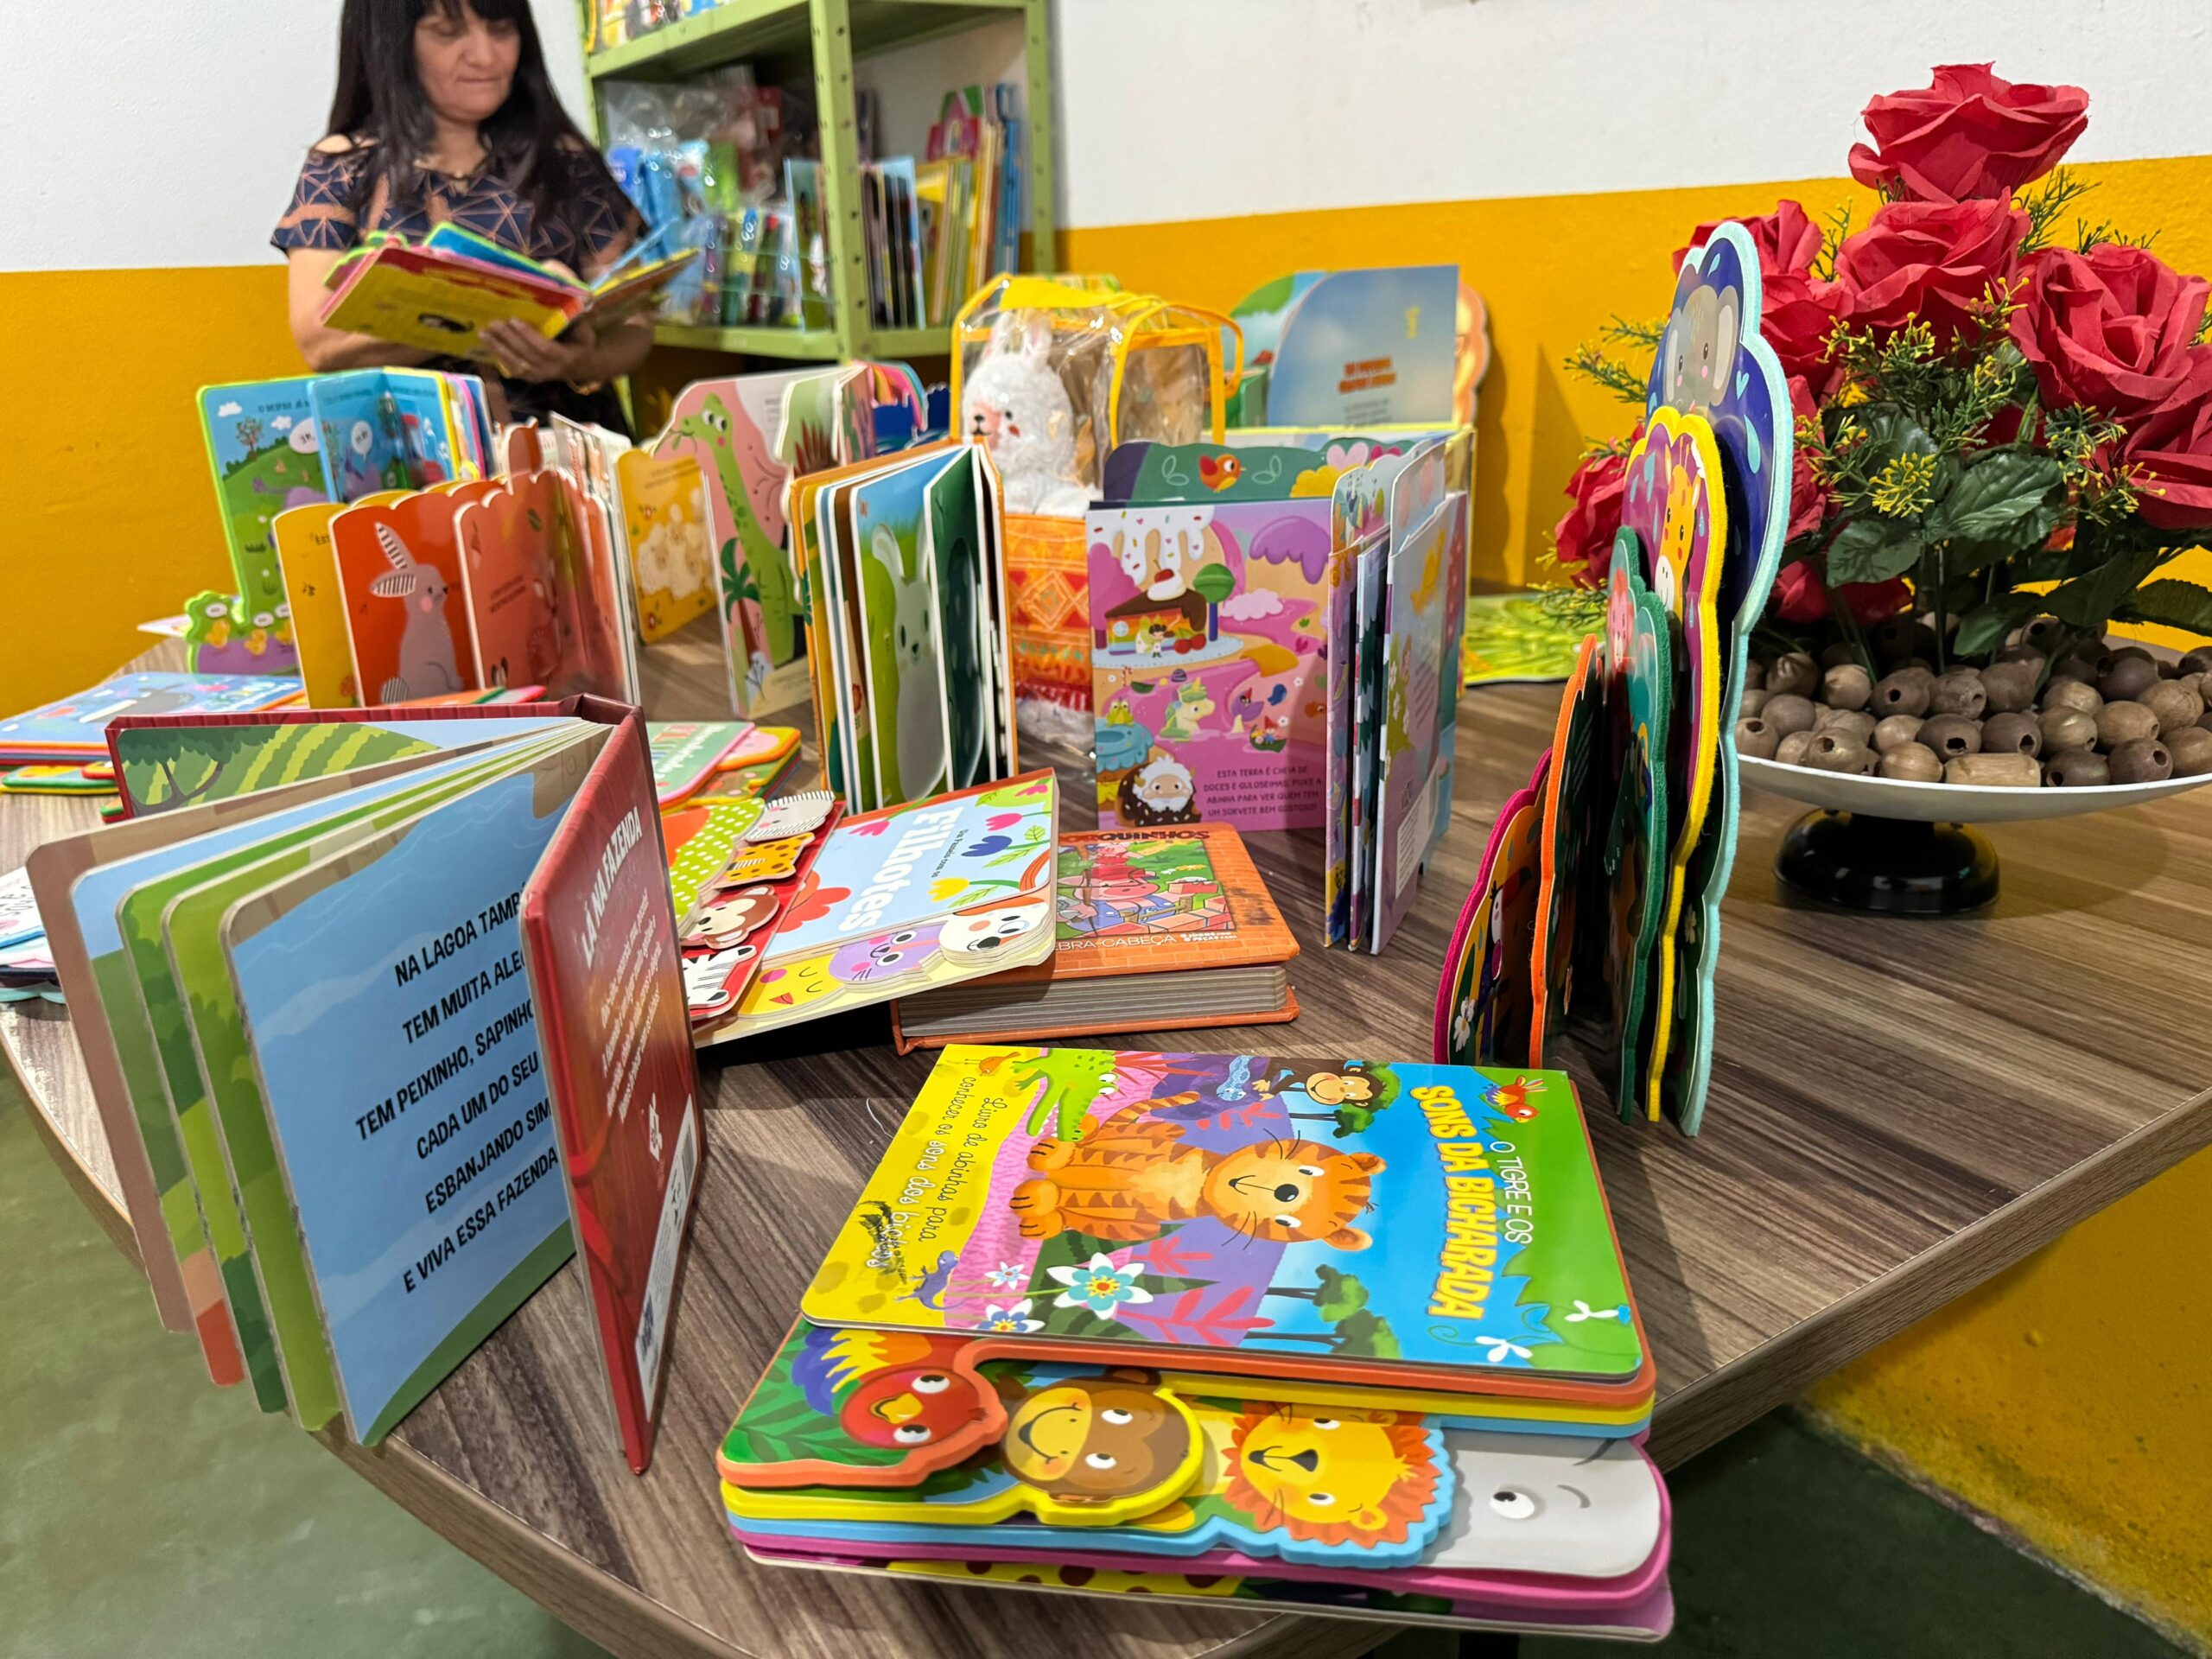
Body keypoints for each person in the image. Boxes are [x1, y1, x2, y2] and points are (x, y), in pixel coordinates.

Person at [273, 0, 653, 427]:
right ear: (390, 46)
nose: (486, 57)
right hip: (419, 455)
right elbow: (322, 343)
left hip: (576, 453)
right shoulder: (342, 166)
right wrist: (493, 310)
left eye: (502, 29)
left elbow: (635, 325)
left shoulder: (568, 162)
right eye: (448, 32)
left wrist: (575, 361)